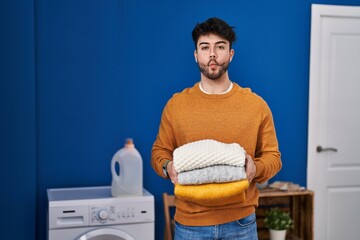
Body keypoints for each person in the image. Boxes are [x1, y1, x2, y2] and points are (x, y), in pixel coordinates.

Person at [151, 17, 282, 240]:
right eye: (205, 47)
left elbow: (273, 157)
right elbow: (159, 152)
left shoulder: (256, 105)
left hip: (241, 223)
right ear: (196, 55)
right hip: (190, 224)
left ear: (231, 54)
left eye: (220, 47)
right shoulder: (176, 105)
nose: (212, 54)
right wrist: (168, 167)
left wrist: (255, 169)